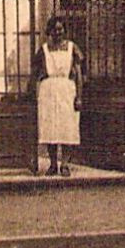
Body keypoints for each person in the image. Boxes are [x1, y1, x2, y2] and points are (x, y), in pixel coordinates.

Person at [32, 16, 83, 176]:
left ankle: (65, 164)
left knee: (67, 127)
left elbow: (79, 74)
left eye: (60, 29)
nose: (58, 32)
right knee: (50, 128)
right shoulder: (44, 49)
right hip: (48, 90)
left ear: (64, 30)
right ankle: (53, 164)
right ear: (50, 31)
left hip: (67, 89)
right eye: (55, 29)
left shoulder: (72, 48)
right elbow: (37, 73)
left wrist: (79, 96)